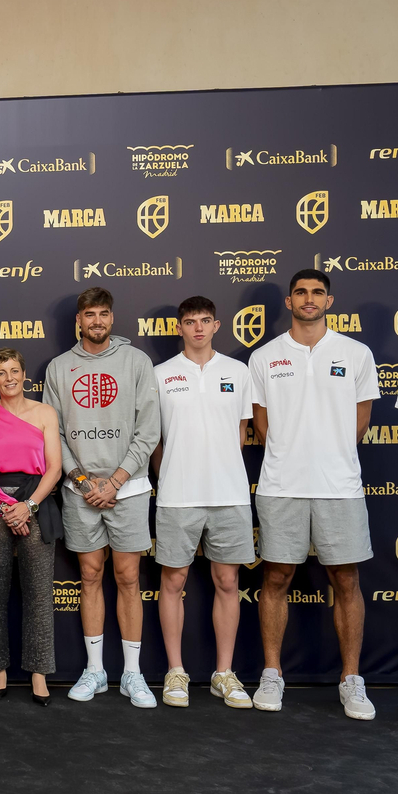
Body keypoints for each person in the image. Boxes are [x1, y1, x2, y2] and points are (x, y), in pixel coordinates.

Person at [248, 269, 379, 719]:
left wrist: (330, 453)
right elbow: (261, 424)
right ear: (288, 302)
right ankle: (271, 674)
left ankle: (352, 681)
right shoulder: (264, 357)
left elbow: (362, 422)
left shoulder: (356, 353)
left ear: (330, 300)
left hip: (339, 486)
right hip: (281, 484)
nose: (309, 299)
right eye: (301, 292)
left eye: (317, 292)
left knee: (346, 581)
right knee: (276, 579)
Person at [43, 286, 161, 708]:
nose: (97, 321)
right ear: (80, 320)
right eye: (89, 314)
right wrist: (81, 480)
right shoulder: (59, 368)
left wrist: (115, 481)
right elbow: (52, 433)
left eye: (104, 314)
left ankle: (132, 674)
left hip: (128, 490)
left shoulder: (137, 362)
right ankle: (95, 670)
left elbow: (149, 429)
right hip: (80, 491)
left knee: (128, 579)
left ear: (113, 319)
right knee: (90, 576)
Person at [150, 297, 255, 709]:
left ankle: (223, 674)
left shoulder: (238, 372)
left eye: (204, 321)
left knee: (228, 583)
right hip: (177, 495)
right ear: (180, 327)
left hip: (229, 495)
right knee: (172, 583)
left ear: (217, 325)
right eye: (189, 321)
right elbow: (154, 440)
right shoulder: (160, 375)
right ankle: (175, 671)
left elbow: (242, 432)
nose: (197, 328)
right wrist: (171, 474)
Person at [0, 348, 62, 705]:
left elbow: (54, 468)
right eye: (0, 373)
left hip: (35, 501)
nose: (8, 378)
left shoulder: (45, 412)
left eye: (14, 371)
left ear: (24, 374)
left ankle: (39, 672)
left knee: (39, 592)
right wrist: (7, 508)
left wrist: (28, 506)